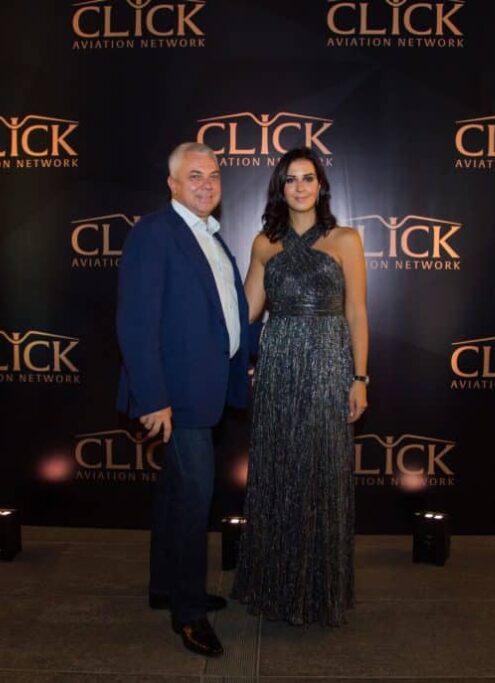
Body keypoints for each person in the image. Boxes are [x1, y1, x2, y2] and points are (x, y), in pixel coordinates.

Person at [116, 141, 249, 657]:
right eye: (194, 175)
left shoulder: (210, 236)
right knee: (195, 499)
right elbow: (136, 322)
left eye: (213, 175)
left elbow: (222, 312)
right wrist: (153, 397)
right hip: (176, 395)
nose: (206, 184)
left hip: (205, 390)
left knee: (176, 494)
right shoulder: (155, 233)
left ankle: (166, 586)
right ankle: (189, 613)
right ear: (172, 183)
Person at [231, 146, 369, 626]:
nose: (300, 187)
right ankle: (276, 586)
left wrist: (359, 377)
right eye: (290, 179)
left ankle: (318, 591)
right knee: (278, 472)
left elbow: (357, 313)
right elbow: (246, 311)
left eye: (308, 178)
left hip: (330, 365)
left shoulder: (346, 240)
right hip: (279, 368)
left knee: (322, 474)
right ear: (280, 189)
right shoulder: (264, 244)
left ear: (321, 185)